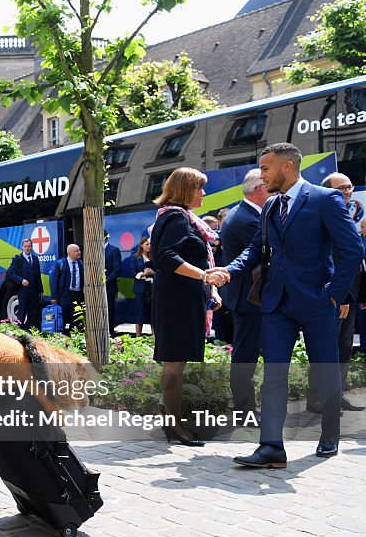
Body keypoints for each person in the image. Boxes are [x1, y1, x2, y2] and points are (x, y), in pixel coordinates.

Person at [210, 143, 362, 466]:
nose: (262, 177)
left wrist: (334, 293)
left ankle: (330, 435)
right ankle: (271, 447)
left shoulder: (326, 200)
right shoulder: (269, 207)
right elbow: (255, 251)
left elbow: (352, 249)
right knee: (273, 374)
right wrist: (228, 271)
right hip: (277, 303)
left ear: (287, 167)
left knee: (325, 370)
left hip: (317, 302)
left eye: (266, 169)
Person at [149, 167, 221, 447]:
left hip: (180, 297)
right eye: (199, 187)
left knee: (174, 362)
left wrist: (209, 286)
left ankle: (172, 419)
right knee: (175, 363)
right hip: (177, 299)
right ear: (185, 190)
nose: (203, 193)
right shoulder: (177, 216)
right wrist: (205, 276)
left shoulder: (177, 216)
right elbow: (166, 256)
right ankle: (175, 426)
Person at [306, 172, 366, 414]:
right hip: (335, 296)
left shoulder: (344, 215)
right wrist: (339, 296)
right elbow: (330, 261)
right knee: (326, 348)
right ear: (328, 191)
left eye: (349, 187)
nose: (348, 191)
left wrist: (359, 296)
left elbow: (356, 261)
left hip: (349, 296)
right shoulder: (324, 217)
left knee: (343, 348)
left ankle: (336, 394)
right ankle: (317, 398)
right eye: (342, 188)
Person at [219, 170, 269, 416]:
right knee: (245, 355)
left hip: (247, 297)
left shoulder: (244, 213)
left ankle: (246, 406)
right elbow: (266, 255)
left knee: (246, 353)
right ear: (259, 188)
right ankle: (244, 410)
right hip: (249, 298)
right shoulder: (248, 219)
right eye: (269, 184)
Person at [7, 238, 42, 328]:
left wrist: (41, 290)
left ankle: (31, 333)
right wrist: (21, 280)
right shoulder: (17, 259)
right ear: (22, 247)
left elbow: (38, 275)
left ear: (32, 247)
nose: (27, 248)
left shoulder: (35, 259)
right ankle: (20, 333)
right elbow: (11, 273)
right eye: (25, 246)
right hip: (23, 291)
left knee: (33, 314)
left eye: (29, 246)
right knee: (22, 313)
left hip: (34, 291)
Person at [49, 244, 84, 332]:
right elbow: (53, 281)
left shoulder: (80, 263)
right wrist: (54, 297)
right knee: (62, 317)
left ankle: (74, 335)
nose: (79, 252)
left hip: (77, 295)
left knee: (76, 318)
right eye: (76, 251)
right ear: (69, 252)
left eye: (79, 250)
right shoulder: (60, 264)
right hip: (64, 295)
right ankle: (62, 336)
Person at [128, 236, 154, 337]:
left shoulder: (154, 257)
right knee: (140, 312)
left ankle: (154, 336)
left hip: (152, 287)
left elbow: (160, 271)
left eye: (150, 244)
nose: (149, 246)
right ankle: (138, 336)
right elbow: (131, 272)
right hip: (140, 288)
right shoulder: (135, 258)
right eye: (147, 244)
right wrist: (143, 274)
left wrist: (152, 273)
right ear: (141, 245)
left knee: (153, 312)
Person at [104, 232, 123, 334]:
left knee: (109, 310)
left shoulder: (113, 250)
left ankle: (110, 332)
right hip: (95, 288)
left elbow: (117, 269)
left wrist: (106, 281)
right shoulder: (93, 250)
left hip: (109, 287)